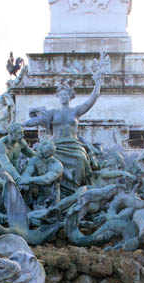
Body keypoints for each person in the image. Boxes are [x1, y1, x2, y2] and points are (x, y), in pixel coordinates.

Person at [24, 66, 105, 197]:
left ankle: (75, 193)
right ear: (58, 97)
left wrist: (98, 82)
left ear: (70, 96)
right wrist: (23, 124)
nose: (63, 97)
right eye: (61, 95)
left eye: (65, 94)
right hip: (55, 147)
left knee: (81, 159)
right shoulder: (52, 113)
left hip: (73, 145)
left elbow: (92, 100)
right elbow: (36, 121)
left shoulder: (76, 111)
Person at [18, 140, 64, 210]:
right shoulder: (34, 160)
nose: (36, 151)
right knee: (25, 188)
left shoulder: (57, 165)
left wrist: (27, 180)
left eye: (39, 150)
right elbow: (27, 173)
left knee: (46, 215)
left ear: (46, 155)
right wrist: (23, 180)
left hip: (51, 197)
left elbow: (46, 179)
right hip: (37, 193)